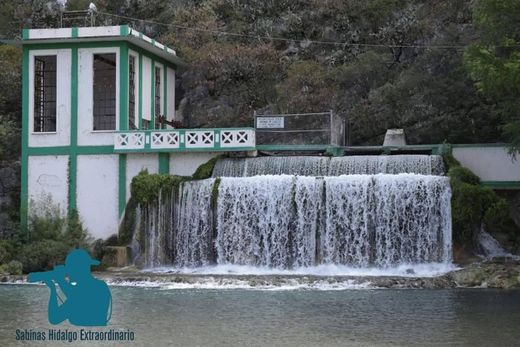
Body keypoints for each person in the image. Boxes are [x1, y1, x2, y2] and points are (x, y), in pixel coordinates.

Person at [43, 249, 111, 326]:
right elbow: (74, 292)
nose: (68, 273)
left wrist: (53, 289)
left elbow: (54, 318)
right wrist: (60, 280)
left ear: (77, 270)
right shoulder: (102, 286)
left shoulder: (79, 293)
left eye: (70, 269)